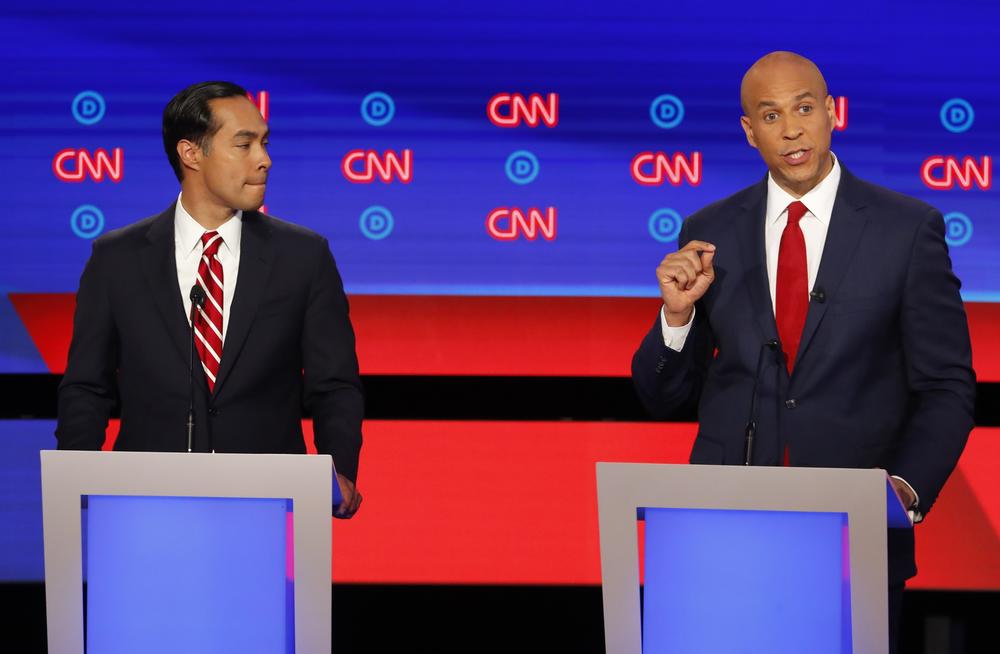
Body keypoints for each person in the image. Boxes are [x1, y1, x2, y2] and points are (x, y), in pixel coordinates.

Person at [631, 52, 975, 651]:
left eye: (804, 109)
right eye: (770, 115)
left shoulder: (906, 229)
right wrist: (676, 315)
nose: (791, 129)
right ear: (749, 131)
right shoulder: (709, 231)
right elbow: (663, 395)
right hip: (723, 533)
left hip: (851, 537)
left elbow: (946, 386)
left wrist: (906, 489)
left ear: (831, 113)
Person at [56, 81, 363, 518]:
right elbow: (87, 387)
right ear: (191, 153)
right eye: (244, 144)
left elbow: (334, 385)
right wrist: (76, 479)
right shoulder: (117, 258)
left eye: (264, 142)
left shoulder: (303, 256)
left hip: (266, 508)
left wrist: (341, 469)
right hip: (143, 509)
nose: (265, 159)